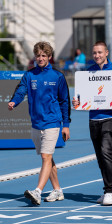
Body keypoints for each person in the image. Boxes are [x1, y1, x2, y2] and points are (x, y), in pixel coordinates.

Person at [8, 41, 71, 205]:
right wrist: (14, 102)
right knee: (48, 159)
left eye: (44, 55)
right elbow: (21, 90)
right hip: (36, 123)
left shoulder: (57, 76)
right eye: (38, 55)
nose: (40, 58)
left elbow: (65, 101)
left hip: (52, 122)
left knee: (46, 157)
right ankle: (57, 190)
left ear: (49, 57)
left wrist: (66, 125)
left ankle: (37, 191)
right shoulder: (29, 75)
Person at [72, 41, 112, 206]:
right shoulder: (88, 72)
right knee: (100, 156)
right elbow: (81, 95)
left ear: (106, 53)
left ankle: (110, 191)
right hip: (93, 118)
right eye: (94, 53)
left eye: (100, 52)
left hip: (111, 117)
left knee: (106, 150)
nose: (97, 55)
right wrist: (77, 101)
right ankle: (108, 188)